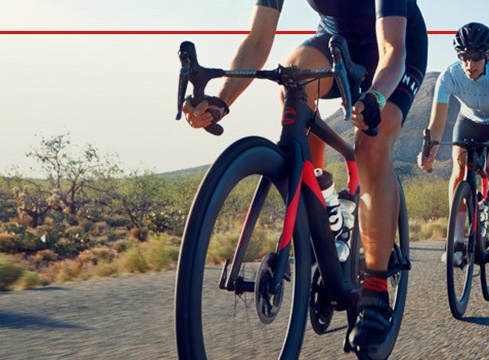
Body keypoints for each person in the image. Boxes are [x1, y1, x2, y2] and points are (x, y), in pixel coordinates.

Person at [179, 0, 427, 353]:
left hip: (397, 50)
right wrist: (220, 101)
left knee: (371, 142)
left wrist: (375, 96)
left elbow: (393, 50)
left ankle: (375, 290)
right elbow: (257, 39)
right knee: (294, 79)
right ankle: (326, 206)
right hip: (336, 44)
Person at [418, 22, 489, 263]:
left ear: (488, 55)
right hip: (469, 121)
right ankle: (455, 238)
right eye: (464, 57)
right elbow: (437, 124)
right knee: (458, 166)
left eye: (476, 57)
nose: (469, 64)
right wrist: (429, 152)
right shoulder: (449, 76)